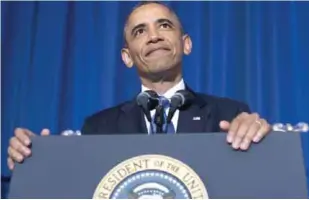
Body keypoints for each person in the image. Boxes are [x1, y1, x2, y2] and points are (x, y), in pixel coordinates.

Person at [7, 1, 271, 171]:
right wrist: (34, 160)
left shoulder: (229, 114)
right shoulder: (98, 128)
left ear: (186, 44)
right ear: (127, 57)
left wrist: (262, 143)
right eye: (140, 31)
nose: (154, 37)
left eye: (164, 26)